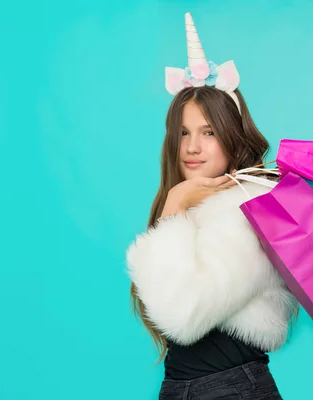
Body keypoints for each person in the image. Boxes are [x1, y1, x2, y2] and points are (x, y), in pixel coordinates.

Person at [125, 12, 299, 400]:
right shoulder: (201, 207)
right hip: (192, 387)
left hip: (228, 389)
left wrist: (173, 205)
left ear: (233, 138)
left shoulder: (250, 209)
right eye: (184, 133)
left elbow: (183, 317)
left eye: (209, 132)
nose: (192, 147)